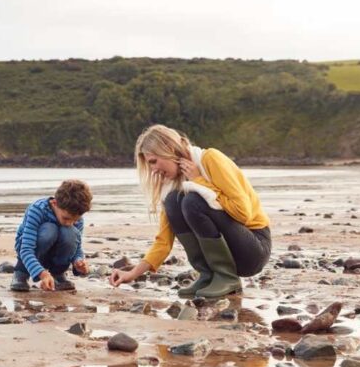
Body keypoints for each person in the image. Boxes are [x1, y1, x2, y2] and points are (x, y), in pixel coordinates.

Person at [110, 124, 271, 298]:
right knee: (174, 201)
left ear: (168, 149)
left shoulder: (210, 159)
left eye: (153, 161)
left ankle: (226, 277)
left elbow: (243, 212)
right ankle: (208, 275)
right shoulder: (172, 186)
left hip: (253, 248)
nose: (153, 170)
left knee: (193, 201)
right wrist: (133, 273)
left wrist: (199, 181)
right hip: (231, 251)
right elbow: (163, 241)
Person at [11, 180, 93, 292]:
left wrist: (78, 262)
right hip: (31, 251)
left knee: (70, 232)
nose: (71, 223)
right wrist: (42, 274)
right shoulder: (37, 210)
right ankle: (21, 273)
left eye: (76, 219)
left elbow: (77, 248)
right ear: (54, 203)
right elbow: (26, 249)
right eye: (66, 218)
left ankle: (58, 274)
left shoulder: (75, 217)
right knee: (50, 229)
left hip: (55, 255)